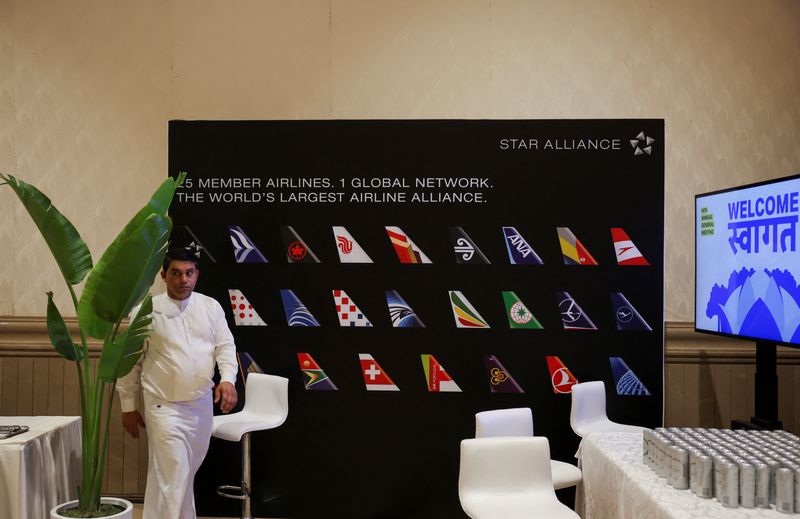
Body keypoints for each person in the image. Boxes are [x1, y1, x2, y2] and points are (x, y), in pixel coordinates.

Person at [118, 248, 238, 519]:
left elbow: (225, 346)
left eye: (189, 273)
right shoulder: (146, 311)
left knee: (176, 477)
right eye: (176, 273)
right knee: (175, 476)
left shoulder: (210, 307)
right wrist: (128, 406)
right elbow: (129, 362)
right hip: (164, 408)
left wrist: (228, 380)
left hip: (201, 407)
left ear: (197, 275)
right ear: (163, 276)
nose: (183, 279)